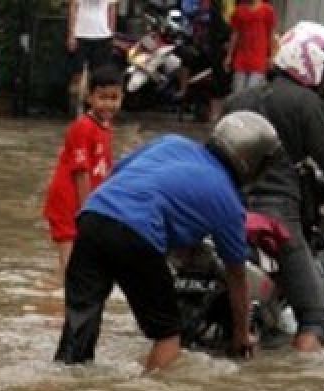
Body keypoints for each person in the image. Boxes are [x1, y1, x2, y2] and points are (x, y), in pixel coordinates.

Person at [54, 111, 281, 371]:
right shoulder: (228, 203)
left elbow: (119, 173)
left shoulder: (172, 143)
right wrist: (241, 335)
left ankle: (66, 389)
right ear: (251, 162)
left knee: (80, 322)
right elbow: (236, 275)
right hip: (136, 233)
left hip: (92, 217)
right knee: (169, 334)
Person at [223, 22, 324, 352]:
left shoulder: (237, 99)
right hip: (276, 214)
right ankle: (303, 384)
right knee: (315, 318)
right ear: (311, 59)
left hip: (227, 209)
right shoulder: (305, 103)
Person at [42, 64, 122, 270]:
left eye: (114, 98)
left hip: (84, 204)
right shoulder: (83, 128)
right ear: (89, 98)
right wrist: (88, 213)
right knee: (71, 267)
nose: (108, 104)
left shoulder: (104, 128)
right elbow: (81, 172)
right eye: (102, 97)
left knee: (83, 265)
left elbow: (104, 170)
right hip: (68, 203)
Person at [66, 0, 116, 114]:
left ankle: (94, 109)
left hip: (102, 36)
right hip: (81, 34)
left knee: (98, 75)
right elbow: (73, 8)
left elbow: (112, 9)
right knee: (77, 74)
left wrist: (111, 33)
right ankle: (74, 107)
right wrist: (71, 35)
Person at [225, 0, 276, 93]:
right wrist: (229, 56)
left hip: (259, 61)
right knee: (237, 93)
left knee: (252, 94)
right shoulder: (239, 10)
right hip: (241, 60)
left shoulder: (267, 10)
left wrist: (271, 57)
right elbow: (235, 34)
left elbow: (271, 35)